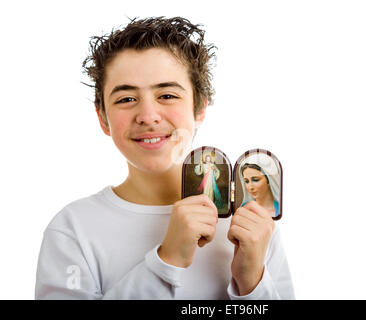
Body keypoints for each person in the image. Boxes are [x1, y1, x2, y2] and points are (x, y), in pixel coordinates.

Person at [34, 16, 295, 299]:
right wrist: (165, 261)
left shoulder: (252, 225)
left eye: (167, 95)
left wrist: (252, 283)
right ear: (103, 118)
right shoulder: (73, 229)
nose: (148, 117)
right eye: (126, 99)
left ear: (199, 109)